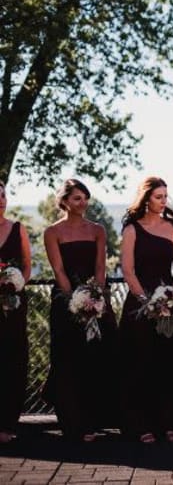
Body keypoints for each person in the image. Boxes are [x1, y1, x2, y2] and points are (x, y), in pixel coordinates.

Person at [41, 179, 120, 441]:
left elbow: (100, 267)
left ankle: (95, 420)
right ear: (64, 201)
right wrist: (74, 301)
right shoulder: (52, 232)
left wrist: (95, 297)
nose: (83, 202)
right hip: (65, 301)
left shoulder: (97, 230)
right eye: (77, 198)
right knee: (68, 360)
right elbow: (59, 270)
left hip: (97, 299)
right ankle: (73, 424)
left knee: (98, 356)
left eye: (85, 197)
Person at [118, 177, 173, 443]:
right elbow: (127, 270)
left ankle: (171, 423)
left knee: (172, 364)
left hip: (170, 304)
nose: (163, 201)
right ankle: (141, 425)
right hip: (140, 305)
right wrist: (146, 302)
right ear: (146, 198)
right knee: (141, 364)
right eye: (158, 197)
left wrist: (170, 299)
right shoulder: (131, 230)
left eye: (165, 196)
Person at [0, 181, 31, 443]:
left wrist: (17, 285)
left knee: (13, 360)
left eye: (3, 195)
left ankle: (9, 423)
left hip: (14, 305)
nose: (1, 200)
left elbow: (28, 266)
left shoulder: (17, 229)